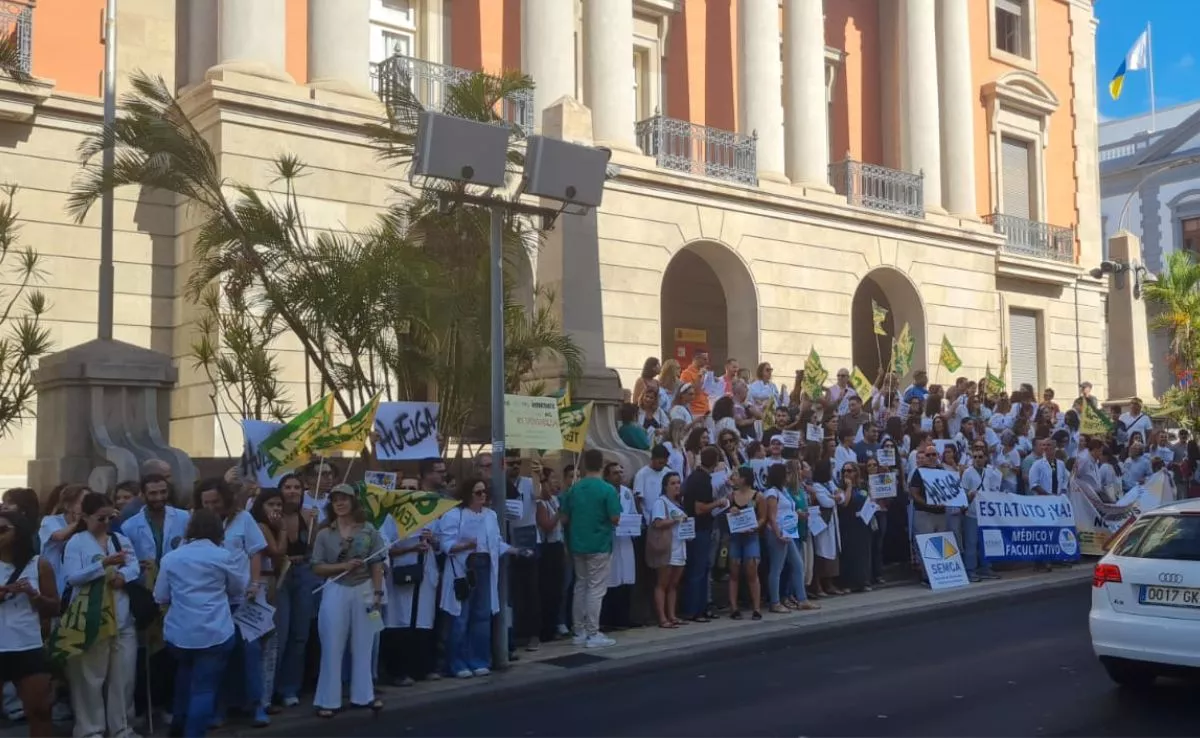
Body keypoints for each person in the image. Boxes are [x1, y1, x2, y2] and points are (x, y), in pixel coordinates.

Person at [153, 509, 247, 737]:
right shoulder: (223, 556)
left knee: (184, 677)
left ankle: (178, 723)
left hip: (180, 632)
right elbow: (238, 589)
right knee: (204, 689)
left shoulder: (171, 558)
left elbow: (160, 596)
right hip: (215, 631)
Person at [59, 490, 140, 738]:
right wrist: (102, 565)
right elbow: (72, 577)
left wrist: (123, 575)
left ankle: (122, 727)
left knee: (123, 677)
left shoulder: (119, 539)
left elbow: (134, 565)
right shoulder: (76, 542)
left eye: (109, 518)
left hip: (122, 615)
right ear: (85, 517)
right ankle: (90, 729)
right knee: (89, 678)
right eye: (100, 518)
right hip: (90, 618)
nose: (105, 523)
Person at [194, 477, 268, 728]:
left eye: (215, 501)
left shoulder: (243, 519)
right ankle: (221, 707)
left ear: (225, 498)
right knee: (218, 655)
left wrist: (254, 583)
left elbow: (255, 551)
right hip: (214, 601)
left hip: (244, 598)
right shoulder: (198, 523)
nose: (211, 506)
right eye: (205, 502)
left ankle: (256, 705)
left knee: (250, 652)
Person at [438, 478, 527, 676]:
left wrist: (515, 550)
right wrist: (465, 546)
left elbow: (495, 542)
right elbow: (445, 544)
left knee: (482, 615)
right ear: (468, 494)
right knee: (461, 616)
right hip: (463, 569)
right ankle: (457, 663)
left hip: (485, 567)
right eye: (478, 492)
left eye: (484, 492)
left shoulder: (490, 515)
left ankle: (479, 660)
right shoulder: (454, 515)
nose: (483, 496)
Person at [310, 485, 386, 717]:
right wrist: (343, 566)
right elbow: (317, 566)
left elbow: (377, 564)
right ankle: (328, 700)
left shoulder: (369, 530)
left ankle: (364, 696)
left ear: (354, 502)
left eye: (344, 499)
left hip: (364, 588)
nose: (340, 504)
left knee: (364, 644)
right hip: (336, 588)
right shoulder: (324, 533)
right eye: (336, 500)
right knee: (332, 644)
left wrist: (377, 593)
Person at [0, 509, 57, 737]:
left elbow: (54, 607)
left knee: (41, 710)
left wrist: (35, 595)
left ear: (19, 532)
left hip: (27, 644)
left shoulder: (38, 564)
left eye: (2, 530)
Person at [559, 449, 622, 648]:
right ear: (602, 465)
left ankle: (579, 631)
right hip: (599, 544)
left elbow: (564, 518)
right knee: (595, 589)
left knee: (580, 586)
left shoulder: (574, 490)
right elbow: (615, 518)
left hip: (577, 544)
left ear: (584, 465)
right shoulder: (607, 490)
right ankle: (593, 633)